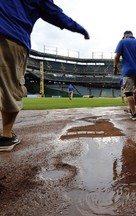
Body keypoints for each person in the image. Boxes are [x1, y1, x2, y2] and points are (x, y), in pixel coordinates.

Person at [0, 0, 90, 152]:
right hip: (11, 36)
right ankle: (7, 136)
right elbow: (54, 14)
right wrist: (81, 29)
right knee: (12, 89)